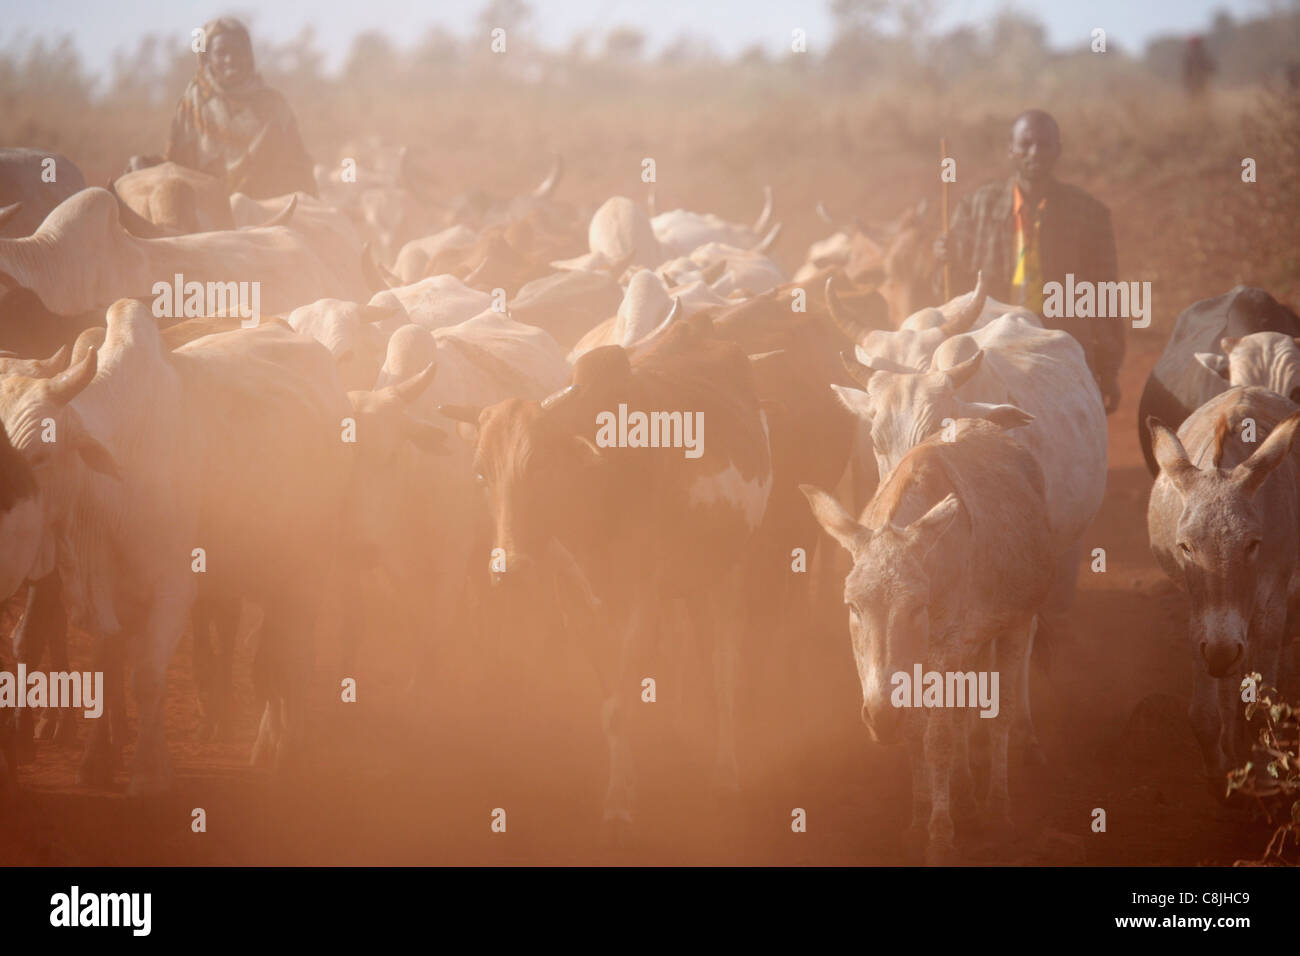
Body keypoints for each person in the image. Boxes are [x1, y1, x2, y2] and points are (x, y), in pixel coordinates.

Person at [933, 110, 1124, 413]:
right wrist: (944, 261)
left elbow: (1105, 294)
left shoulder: (1089, 214)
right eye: (1026, 144)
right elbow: (950, 296)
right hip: (991, 347)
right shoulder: (975, 208)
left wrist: (1109, 369)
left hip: (1059, 348)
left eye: (1044, 144)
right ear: (1011, 149)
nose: (1035, 152)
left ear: (1057, 150)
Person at [163, 18, 316, 198]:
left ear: (249, 55)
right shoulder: (193, 104)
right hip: (205, 212)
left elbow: (300, 169)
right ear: (207, 58)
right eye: (221, 52)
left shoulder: (274, 105)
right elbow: (175, 166)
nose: (230, 59)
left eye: (238, 51)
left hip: (268, 211)